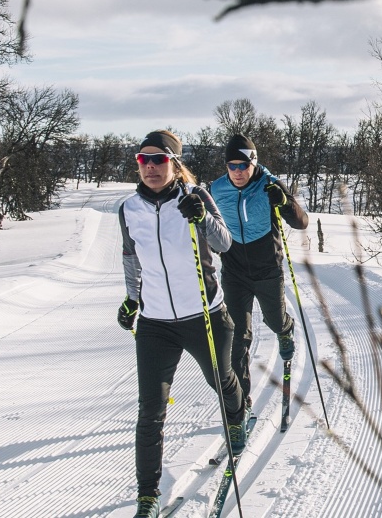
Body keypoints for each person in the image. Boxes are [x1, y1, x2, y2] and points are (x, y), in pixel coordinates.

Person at [116, 130, 246, 518]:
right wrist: (132, 299)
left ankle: (237, 420)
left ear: (174, 162)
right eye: (144, 160)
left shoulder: (195, 197)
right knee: (150, 410)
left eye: (159, 159)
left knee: (221, 380)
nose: (151, 167)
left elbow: (224, 244)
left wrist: (202, 218)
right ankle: (148, 495)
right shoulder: (128, 209)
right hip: (155, 323)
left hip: (204, 315)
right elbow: (130, 259)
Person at [208, 133, 310, 412]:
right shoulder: (215, 190)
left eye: (243, 165)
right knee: (237, 338)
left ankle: (285, 329)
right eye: (232, 165)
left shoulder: (269, 185)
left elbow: (301, 222)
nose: (238, 172)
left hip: (267, 270)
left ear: (254, 163)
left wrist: (284, 202)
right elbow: (207, 227)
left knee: (274, 320)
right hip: (234, 272)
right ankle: (241, 404)